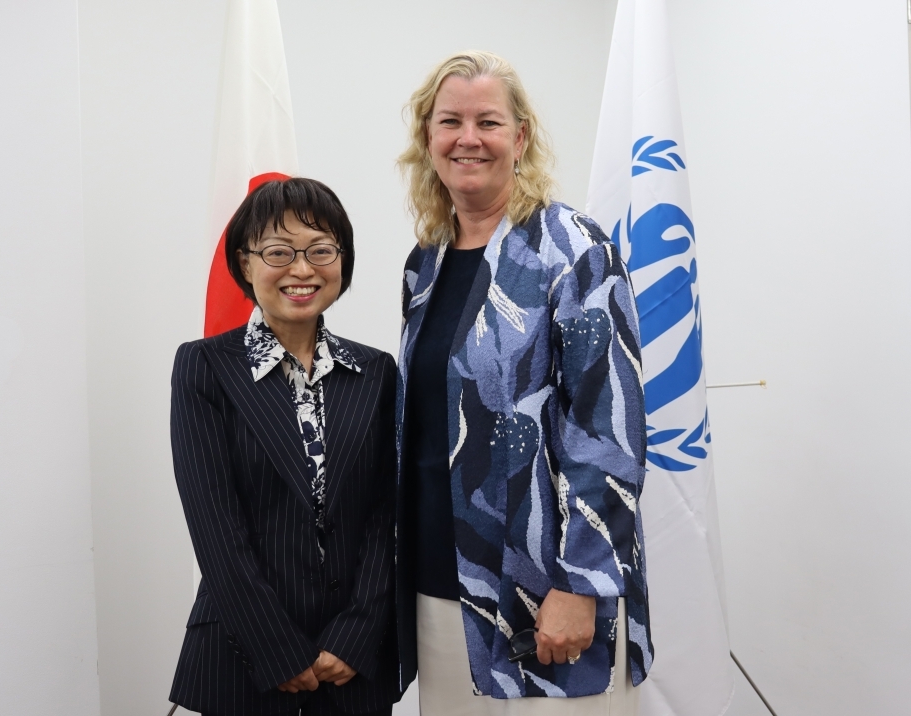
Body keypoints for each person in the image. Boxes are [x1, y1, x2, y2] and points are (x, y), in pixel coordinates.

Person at [393, 51, 653, 715]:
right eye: (449, 121)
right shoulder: (425, 265)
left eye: (488, 121)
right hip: (441, 588)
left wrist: (582, 583)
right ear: (428, 138)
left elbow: (609, 428)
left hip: (548, 600)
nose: (468, 138)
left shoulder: (574, 251)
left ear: (521, 137)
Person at [168, 178, 399, 716]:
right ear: (245, 265)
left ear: (342, 261)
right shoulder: (205, 367)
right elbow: (214, 525)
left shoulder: (376, 372)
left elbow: (384, 515)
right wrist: (276, 649)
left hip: (352, 666)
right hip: (241, 658)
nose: (302, 269)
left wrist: (357, 634)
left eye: (321, 250)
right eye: (278, 251)